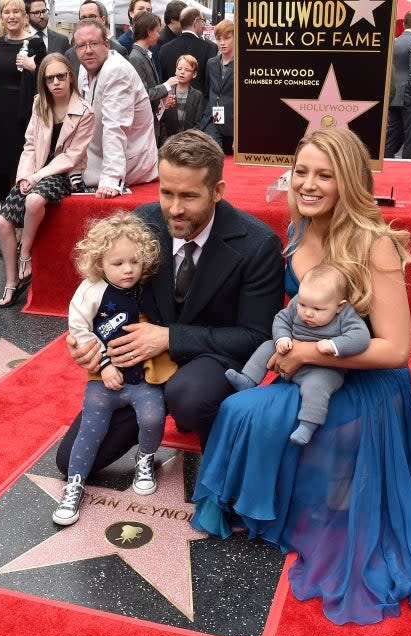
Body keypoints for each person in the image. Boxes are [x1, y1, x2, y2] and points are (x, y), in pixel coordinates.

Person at [189, 127, 411, 626]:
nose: (309, 184)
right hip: (308, 369)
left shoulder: (374, 243)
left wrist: (306, 353)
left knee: (244, 409)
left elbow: (396, 349)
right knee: (242, 407)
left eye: (325, 175)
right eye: (301, 172)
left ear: (349, 182)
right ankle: (257, 506)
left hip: (364, 383)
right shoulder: (297, 229)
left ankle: (270, 507)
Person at [54, 128, 284, 474]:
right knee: (69, 461)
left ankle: (215, 429)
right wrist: (85, 343)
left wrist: (169, 337)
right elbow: (104, 297)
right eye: (167, 193)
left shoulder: (257, 244)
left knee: (189, 395)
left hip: (211, 358)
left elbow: (256, 335)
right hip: (142, 368)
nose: (174, 209)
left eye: (189, 196)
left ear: (217, 191)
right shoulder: (143, 224)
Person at [53, 212, 168, 526]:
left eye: (135, 261)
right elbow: (77, 328)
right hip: (104, 378)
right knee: (92, 428)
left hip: (143, 376)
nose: (128, 270)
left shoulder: (146, 287)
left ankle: (145, 458)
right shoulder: (92, 289)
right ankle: (74, 484)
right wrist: (103, 365)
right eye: (118, 264)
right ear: (100, 263)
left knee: (153, 416)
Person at [226, 263, 370, 446]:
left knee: (318, 387)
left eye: (318, 309)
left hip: (322, 369)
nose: (307, 313)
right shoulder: (299, 303)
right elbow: (281, 318)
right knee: (267, 346)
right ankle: (248, 379)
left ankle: (308, 425)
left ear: (339, 306)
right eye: (303, 304)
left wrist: (335, 345)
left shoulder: (345, 315)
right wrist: (282, 338)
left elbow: (361, 337)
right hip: (290, 356)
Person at [0, 53, 94, 308]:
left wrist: (36, 177)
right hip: (35, 169)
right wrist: (24, 177)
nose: (56, 82)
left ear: (71, 77)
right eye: (50, 78)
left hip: (63, 175)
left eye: (61, 76)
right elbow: (29, 145)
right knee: (1, 221)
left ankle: (25, 252)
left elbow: (71, 157)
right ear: (44, 82)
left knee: (35, 200)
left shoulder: (85, 111)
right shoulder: (39, 102)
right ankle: (11, 281)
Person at [74, 18, 157, 198]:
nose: (88, 51)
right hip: (96, 161)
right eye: (81, 46)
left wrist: (112, 178)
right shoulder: (84, 68)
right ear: (75, 50)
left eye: (93, 44)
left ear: (107, 44)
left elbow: (115, 127)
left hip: (129, 165)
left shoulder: (116, 70)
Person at [0, 0, 47, 206]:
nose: (11, 16)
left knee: (21, 163)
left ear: (24, 16)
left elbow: (51, 77)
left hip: (24, 112)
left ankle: (21, 213)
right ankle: (7, 213)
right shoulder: (1, 42)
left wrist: (34, 67)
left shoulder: (35, 43)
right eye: (7, 12)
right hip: (0, 111)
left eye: (16, 12)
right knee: (4, 164)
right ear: (1, 16)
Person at [127, 10, 176, 142]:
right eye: (157, 31)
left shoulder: (143, 54)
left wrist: (163, 101)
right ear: (149, 32)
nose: (159, 35)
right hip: (145, 122)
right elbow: (144, 94)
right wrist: (167, 85)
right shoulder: (136, 58)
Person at [385, 9, 411, 159]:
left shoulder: (394, 42)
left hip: (393, 95)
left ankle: (387, 163)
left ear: (403, 23)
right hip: (410, 97)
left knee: (392, 135)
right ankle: (408, 166)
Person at [63, 2, 126, 89]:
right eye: (83, 18)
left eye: (92, 17)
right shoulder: (70, 54)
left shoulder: (118, 51)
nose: (88, 22)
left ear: (103, 20)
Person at [157, 6, 216, 96]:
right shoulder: (209, 48)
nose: (204, 25)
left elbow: (162, 79)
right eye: (202, 21)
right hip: (199, 104)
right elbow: (211, 81)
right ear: (196, 21)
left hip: (171, 102)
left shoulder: (165, 48)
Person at [201, 19, 234, 155]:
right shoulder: (211, 63)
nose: (222, 42)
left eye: (227, 38)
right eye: (219, 39)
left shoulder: (243, 64)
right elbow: (209, 91)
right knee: (214, 155)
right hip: (214, 118)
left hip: (234, 122)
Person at [159, 54, 204, 144]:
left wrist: (191, 142)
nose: (182, 72)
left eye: (187, 70)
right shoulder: (166, 93)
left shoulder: (197, 96)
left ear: (194, 74)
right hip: (168, 142)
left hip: (190, 143)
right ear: (175, 71)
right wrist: (166, 142)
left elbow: (198, 124)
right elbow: (161, 122)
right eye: (179, 69)